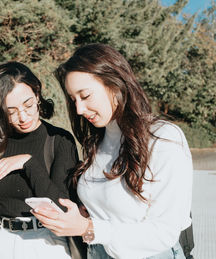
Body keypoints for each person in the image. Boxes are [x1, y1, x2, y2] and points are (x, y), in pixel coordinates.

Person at [32, 44, 193, 259]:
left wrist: (89, 228)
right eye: (73, 100)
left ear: (115, 84)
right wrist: (81, 214)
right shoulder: (98, 141)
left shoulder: (164, 139)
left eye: (85, 95)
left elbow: (165, 232)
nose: (79, 109)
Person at [0, 61, 79, 259]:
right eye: (11, 111)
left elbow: (62, 207)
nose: (23, 117)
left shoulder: (59, 141)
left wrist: (27, 163)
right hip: (5, 242)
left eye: (28, 104)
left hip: (48, 243)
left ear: (37, 94)